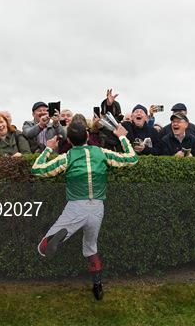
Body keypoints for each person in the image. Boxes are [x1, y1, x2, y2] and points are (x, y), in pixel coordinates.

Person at [31, 122, 138, 301]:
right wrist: (121, 136)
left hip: (76, 207)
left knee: (42, 248)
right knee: (90, 247)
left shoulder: (67, 157)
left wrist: (48, 149)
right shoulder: (101, 152)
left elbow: (37, 169)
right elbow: (131, 158)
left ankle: (58, 237)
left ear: (70, 141)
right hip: (97, 207)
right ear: (87, 136)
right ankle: (97, 287)